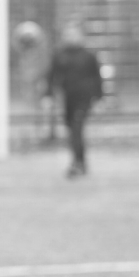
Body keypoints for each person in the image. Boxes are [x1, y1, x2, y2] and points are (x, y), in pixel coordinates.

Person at [45, 22, 103, 178]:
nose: (70, 37)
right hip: (67, 100)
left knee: (77, 131)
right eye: (67, 34)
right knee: (72, 133)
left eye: (73, 34)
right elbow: (52, 77)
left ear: (80, 36)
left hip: (84, 99)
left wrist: (99, 99)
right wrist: (48, 96)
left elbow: (97, 78)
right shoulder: (59, 55)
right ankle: (81, 162)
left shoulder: (88, 56)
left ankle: (76, 164)